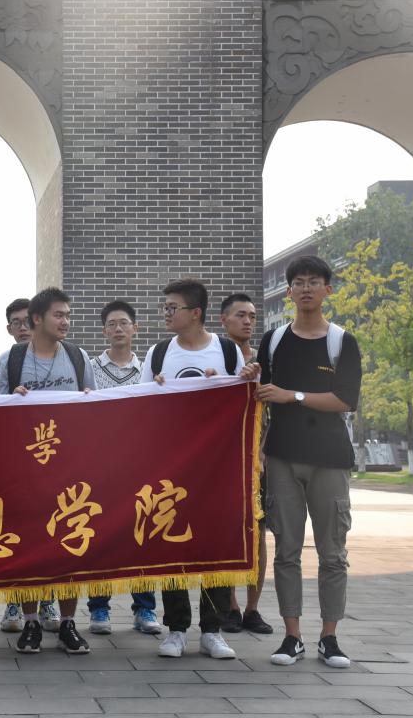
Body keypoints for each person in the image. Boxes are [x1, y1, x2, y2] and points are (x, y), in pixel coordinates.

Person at [140, 279, 259, 660]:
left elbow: (244, 400)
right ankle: (176, 628)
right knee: (171, 540)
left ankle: (212, 630)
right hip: (171, 466)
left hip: (217, 467)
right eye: (165, 307)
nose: (166, 313)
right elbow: (138, 407)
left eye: (172, 307)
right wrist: (157, 389)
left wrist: (241, 381)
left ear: (195, 313)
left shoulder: (225, 351)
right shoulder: (159, 354)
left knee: (215, 544)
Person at [257, 257, 361, 669]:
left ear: (327, 290)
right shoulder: (274, 340)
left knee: (332, 552)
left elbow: (345, 400)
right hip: (282, 456)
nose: (305, 288)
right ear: (288, 291)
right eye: (298, 282)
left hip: (329, 459)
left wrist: (293, 396)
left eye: (313, 282)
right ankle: (292, 636)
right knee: (286, 550)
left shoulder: (341, 341)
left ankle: (329, 638)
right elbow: (259, 389)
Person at [0, 286, 95, 655]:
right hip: (25, 470)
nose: (65, 321)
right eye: (58, 315)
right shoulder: (11, 359)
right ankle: (31, 621)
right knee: (29, 546)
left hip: (69, 469)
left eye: (68, 315)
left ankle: (68, 623)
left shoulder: (78, 358)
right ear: (38, 319)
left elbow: (96, 409)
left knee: (71, 542)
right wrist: (12, 400)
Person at [84, 300, 163, 636]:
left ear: (135, 329)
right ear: (104, 330)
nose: (118, 329)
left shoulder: (147, 370)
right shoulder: (89, 368)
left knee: (141, 534)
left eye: (124, 323)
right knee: (99, 536)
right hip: (99, 465)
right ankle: (99, 609)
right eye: (112, 324)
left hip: (137, 465)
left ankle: (144, 608)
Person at [218, 293, 274, 636]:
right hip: (222, 464)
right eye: (240, 315)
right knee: (225, 534)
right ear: (224, 320)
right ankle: (230, 606)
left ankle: (253, 608)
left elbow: (274, 413)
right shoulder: (217, 359)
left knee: (258, 535)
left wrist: (263, 453)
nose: (248, 321)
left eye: (252, 316)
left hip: (257, 464)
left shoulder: (266, 363)